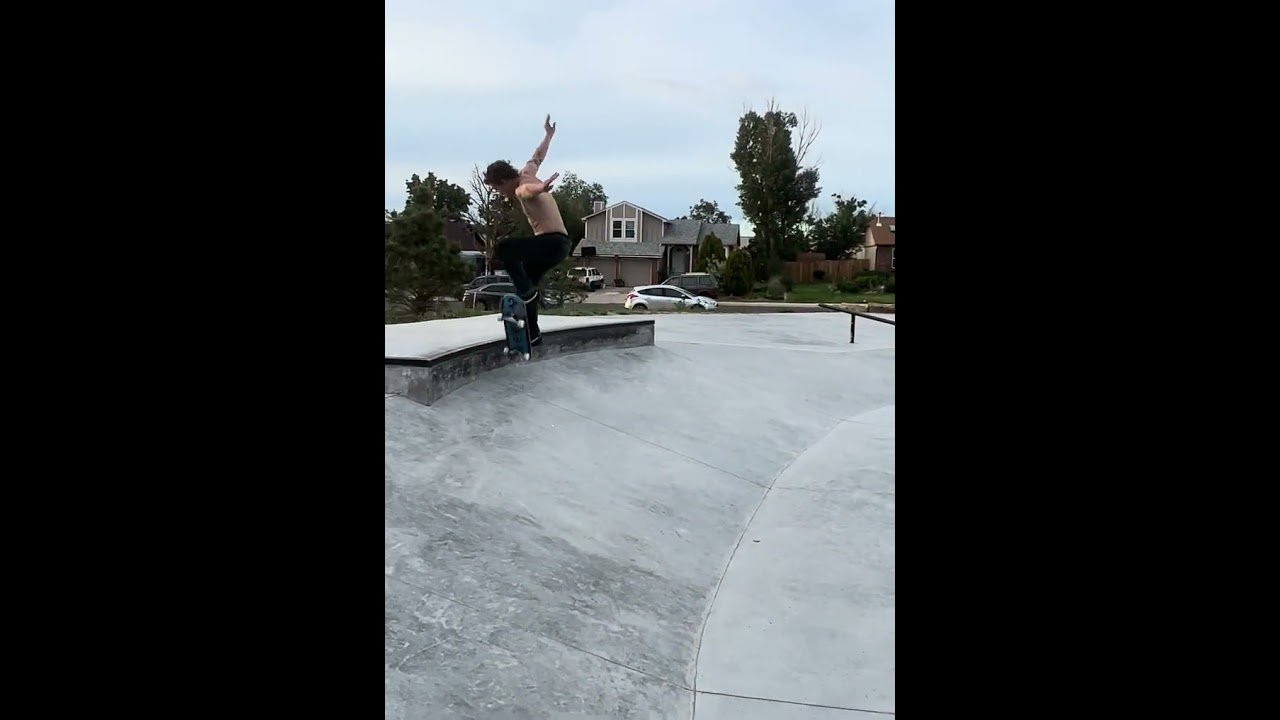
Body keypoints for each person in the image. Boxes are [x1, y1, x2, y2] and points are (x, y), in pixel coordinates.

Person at [483, 114, 571, 346]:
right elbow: (538, 156)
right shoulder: (527, 171)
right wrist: (548, 135)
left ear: (503, 181)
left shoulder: (523, 187)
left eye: (497, 188)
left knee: (504, 248)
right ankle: (533, 333)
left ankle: (526, 292)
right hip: (557, 245)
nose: (500, 193)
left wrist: (541, 188)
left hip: (551, 243)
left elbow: (529, 192)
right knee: (529, 284)